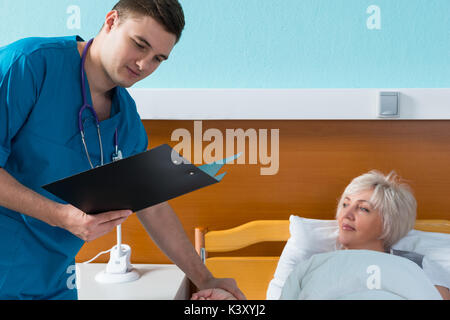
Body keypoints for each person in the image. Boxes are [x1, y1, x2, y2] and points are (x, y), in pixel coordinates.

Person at [0, 0, 245, 300]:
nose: (144, 65)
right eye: (139, 44)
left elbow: (152, 205)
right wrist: (60, 215)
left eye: (158, 58)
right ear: (111, 21)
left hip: (52, 283)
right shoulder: (29, 64)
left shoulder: (125, 119)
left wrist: (207, 279)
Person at [193, 170, 450, 300]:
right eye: (345, 204)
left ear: (388, 224)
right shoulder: (315, 266)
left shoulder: (415, 265)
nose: (346, 214)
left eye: (362, 208)